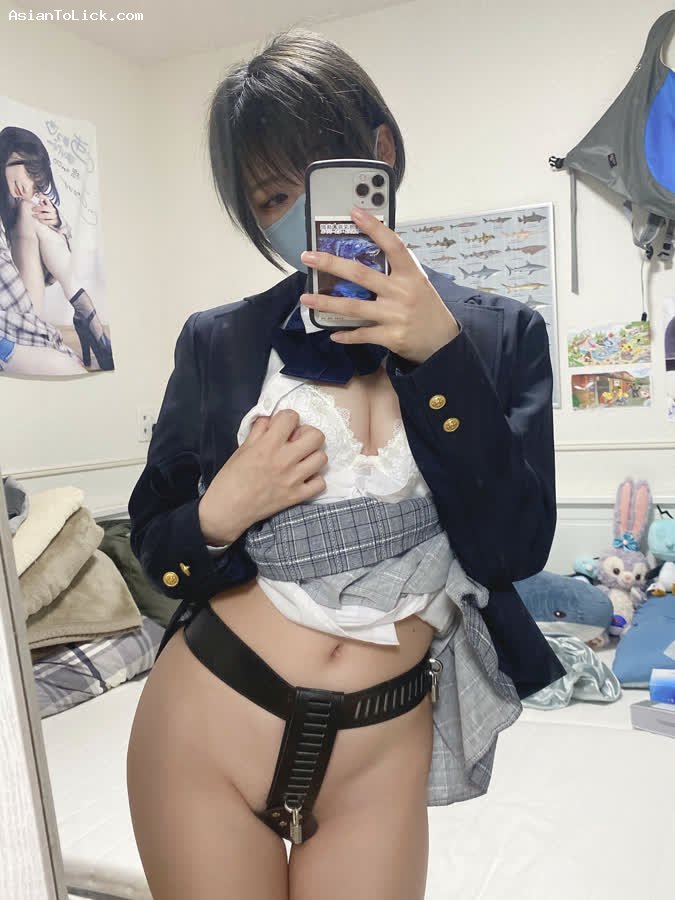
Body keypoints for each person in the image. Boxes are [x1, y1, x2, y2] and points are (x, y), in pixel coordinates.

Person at [126, 28, 564, 900]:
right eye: (271, 197)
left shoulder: (497, 334)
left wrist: (439, 357)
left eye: (316, 178)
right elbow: (155, 545)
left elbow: (512, 549)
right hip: (206, 727)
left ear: (380, 156)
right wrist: (222, 509)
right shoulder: (219, 341)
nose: (298, 213)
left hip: (380, 749)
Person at [0, 127, 114, 370]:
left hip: (21, 309)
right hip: (8, 319)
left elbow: (63, 249)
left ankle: (83, 310)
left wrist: (56, 221)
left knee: (30, 210)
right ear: (12, 152)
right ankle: (86, 315)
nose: (28, 187)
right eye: (30, 173)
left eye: (35, 183)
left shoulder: (14, 200)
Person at [0, 217, 85, 376]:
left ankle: (85, 313)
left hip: (18, 313)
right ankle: (88, 321)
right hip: (6, 329)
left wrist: (56, 220)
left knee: (28, 211)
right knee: (70, 371)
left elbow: (64, 238)